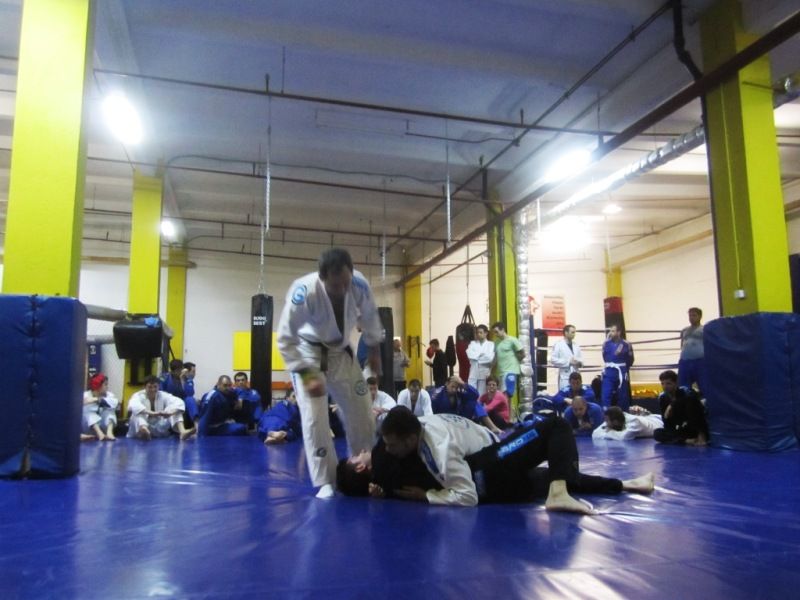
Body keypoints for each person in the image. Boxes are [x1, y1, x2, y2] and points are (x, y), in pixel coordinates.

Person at [336, 407, 655, 511]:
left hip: (493, 462)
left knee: (546, 478)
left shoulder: (421, 445)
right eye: (355, 456)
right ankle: (559, 494)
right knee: (555, 426)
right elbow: (468, 496)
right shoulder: (432, 452)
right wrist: (429, 496)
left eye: (390, 443)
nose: (385, 447)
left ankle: (624, 485)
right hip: (490, 464)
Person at [277, 247, 382, 499]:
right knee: (315, 418)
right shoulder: (303, 291)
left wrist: (375, 350)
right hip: (308, 353)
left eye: (346, 282)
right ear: (322, 278)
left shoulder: (358, 284)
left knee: (362, 410)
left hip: (341, 352)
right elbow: (285, 339)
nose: (343, 289)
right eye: (336, 285)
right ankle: (326, 479)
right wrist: (306, 375)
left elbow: (370, 317)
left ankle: (364, 467)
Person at [127, 375, 195, 441]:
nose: (153, 389)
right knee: (137, 412)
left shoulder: (162, 394)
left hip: (158, 426)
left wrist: (170, 413)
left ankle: (182, 431)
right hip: (141, 427)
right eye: (150, 387)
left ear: (158, 386)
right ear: (144, 387)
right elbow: (133, 405)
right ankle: (144, 430)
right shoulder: (138, 395)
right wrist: (153, 413)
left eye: (155, 387)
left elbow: (179, 402)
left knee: (174, 408)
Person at [431, 376, 502, 436]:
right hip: (444, 421)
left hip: (458, 419)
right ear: (446, 384)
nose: (454, 390)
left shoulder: (458, 391)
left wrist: (463, 384)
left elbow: (475, 395)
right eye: (452, 386)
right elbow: (431, 412)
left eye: (456, 387)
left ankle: (492, 427)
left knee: (474, 402)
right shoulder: (437, 395)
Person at [654, 370, 708, 446]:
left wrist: (672, 405)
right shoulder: (663, 398)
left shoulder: (686, 391)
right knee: (657, 433)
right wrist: (671, 432)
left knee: (691, 402)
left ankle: (701, 435)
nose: (665, 386)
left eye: (668, 383)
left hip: (693, 425)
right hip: (681, 429)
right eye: (662, 383)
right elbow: (666, 421)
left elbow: (693, 400)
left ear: (676, 383)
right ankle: (686, 441)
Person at [600, 324, 635, 410]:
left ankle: (624, 414)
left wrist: (624, 369)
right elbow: (604, 357)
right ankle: (606, 414)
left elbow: (630, 360)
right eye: (610, 331)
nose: (610, 333)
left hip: (621, 372)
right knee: (606, 394)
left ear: (619, 332)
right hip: (609, 372)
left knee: (623, 396)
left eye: (613, 331)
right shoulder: (606, 344)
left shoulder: (626, 344)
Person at [491, 322, 524, 401]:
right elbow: (496, 357)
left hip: (510, 371)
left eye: (497, 332)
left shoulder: (512, 340)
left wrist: (515, 362)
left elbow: (522, 353)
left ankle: (505, 409)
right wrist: (491, 370)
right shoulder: (496, 342)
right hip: (500, 372)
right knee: (502, 394)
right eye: (494, 332)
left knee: (506, 394)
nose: (495, 334)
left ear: (503, 330)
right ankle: (507, 409)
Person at [81, 373, 119, 442]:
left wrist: (96, 399)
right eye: (105, 385)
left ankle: (109, 433)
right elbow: (78, 403)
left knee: (110, 409)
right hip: (88, 428)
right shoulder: (86, 395)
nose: (107, 387)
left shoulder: (109, 395)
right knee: (87, 410)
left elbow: (115, 403)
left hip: (103, 427)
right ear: (98, 386)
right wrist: (87, 401)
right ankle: (99, 433)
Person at [592, 406, 662, 441]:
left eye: (607, 421)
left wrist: (608, 432)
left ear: (615, 422)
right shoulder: (614, 418)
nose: (605, 423)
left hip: (660, 422)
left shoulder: (635, 422)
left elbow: (624, 437)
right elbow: (595, 433)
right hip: (649, 418)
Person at [678, 307, 705, 395]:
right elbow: (682, 344)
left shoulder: (704, 329)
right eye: (690, 315)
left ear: (700, 316)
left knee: (704, 385)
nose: (691, 317)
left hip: (700, 362)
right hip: (684, 361)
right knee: (683, 388)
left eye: (694, 315)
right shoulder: (684, 330)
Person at [550, 324, 583, 390]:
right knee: (565, 393)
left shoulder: (576, 345)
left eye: (574, 332)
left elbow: (581, 359)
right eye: (572, 332)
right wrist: (569, 362)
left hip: (576, 375)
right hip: (565, 376)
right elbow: (553, 359)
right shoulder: (559, 345)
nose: (574, 334)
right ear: (566, 333)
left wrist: (579, 363)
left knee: (577, 394)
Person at [466, 324, 495, 396]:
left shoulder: (491, 344)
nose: (478, 334)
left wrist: (476, 357)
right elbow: (469, 355)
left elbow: (489, 358)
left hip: (484, 373)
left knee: (482, 395)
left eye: (480, 332)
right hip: (473, 372)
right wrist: (481, 355)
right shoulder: (472, 343)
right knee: (471, 394)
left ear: (486, 333)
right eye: (477, 333)